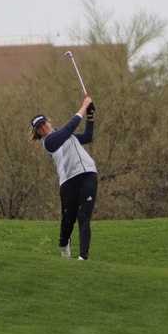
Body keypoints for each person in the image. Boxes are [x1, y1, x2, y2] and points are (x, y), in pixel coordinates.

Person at [31, 95, 97, 260]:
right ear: (38, 132)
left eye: (44, 123)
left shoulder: (68, 136)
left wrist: (90, 116)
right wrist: (84, 106)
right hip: (69, 181)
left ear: (49, 122)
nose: (44, 127)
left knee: (84, 217)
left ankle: (83, 257)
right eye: (39, 128)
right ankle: (63, 243)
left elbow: (87, 137)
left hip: (88, 174)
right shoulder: (49, 141)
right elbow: (70, 127)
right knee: (69, 218)